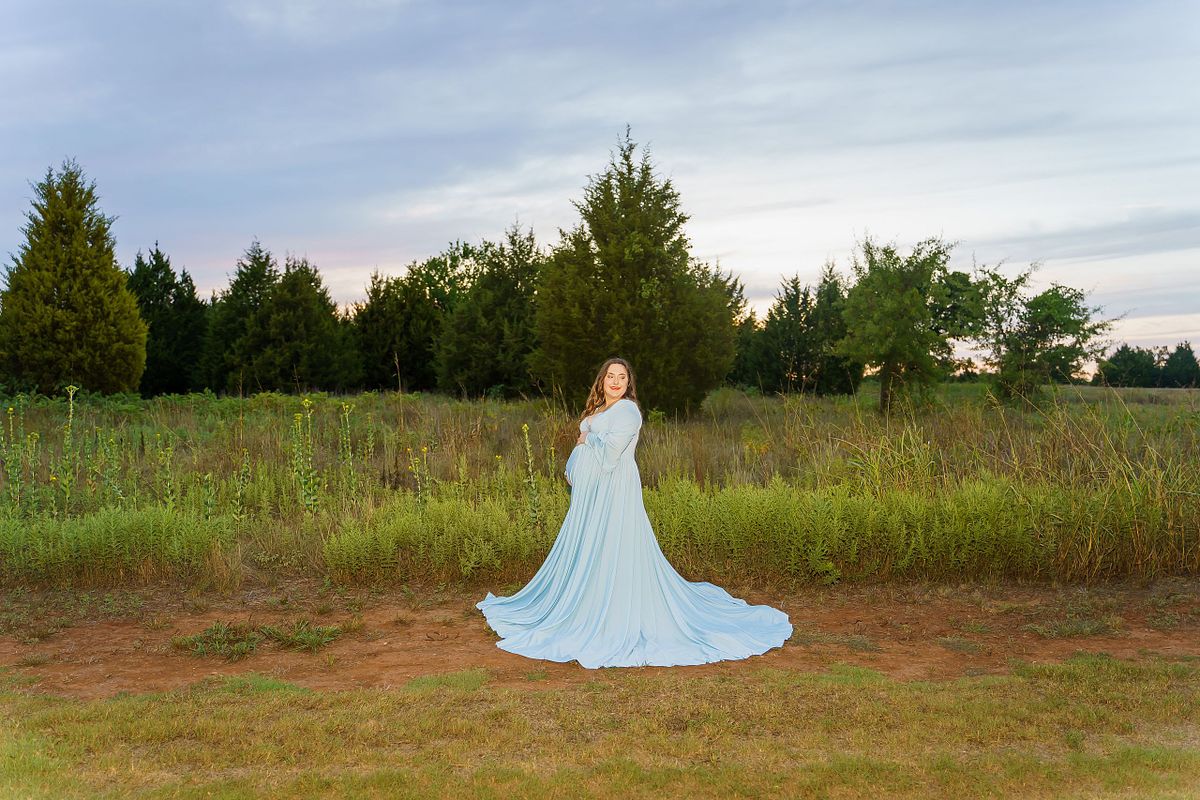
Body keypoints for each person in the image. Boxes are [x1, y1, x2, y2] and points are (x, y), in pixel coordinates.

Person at [476, 357, 792, 668]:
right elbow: (586, 444)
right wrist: (578, 459)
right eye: (610, 376)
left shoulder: (627, 410)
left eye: (622, 377)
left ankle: (613, 607)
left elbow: (611, 454)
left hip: (613, 488)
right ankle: (587, 598)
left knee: (614, 541)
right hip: (592, 492)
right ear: (601, 380)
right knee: (593, 545)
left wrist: (588, 439)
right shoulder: (600, 408)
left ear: (629, 384)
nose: (615, 381)